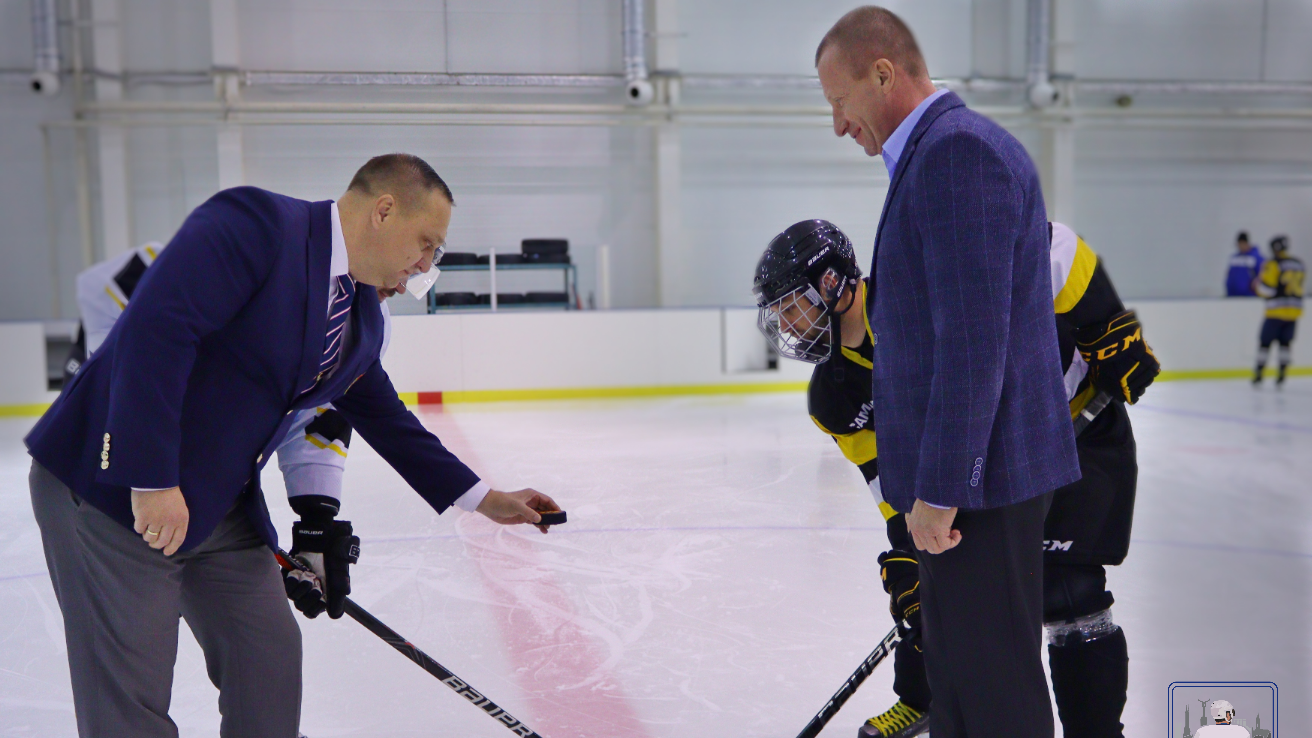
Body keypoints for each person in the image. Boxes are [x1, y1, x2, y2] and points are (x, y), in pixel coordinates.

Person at [26, 153, 560, 738]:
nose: (426, 265)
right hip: (113, 489)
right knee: (129, 697)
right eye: (427, 243)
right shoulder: (255, 226)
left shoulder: (362, 316)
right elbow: (157, 330)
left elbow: (381, 412)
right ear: (384, 210)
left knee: (268, 659)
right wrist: (152, 479)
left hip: (218, 506)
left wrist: (483, 498)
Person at [754, 220, 1156, 738]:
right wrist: (908, 553)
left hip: (1077, 428)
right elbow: (890, 484)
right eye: (780, 313)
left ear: (833, 284)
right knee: (939, 593)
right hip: (997, 468)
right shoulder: (834, 396)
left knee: (1070, 594)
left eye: (792, 306)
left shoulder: (917, 289)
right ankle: (920, 697)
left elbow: (1051, 242)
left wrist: (1106, 324)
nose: (787, 325)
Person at [814, 7, 1083, 735]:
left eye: (839, 101)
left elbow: (972, 345)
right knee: (961, 688)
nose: (838, 124)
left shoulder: (958, 155)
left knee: (995, 697)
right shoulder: (936, 155)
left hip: (980, 490)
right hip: (973, 489)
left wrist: (939, 488)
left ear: (882, 73)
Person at [67, 241, 436, 619]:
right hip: (112, 484)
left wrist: (316, 519)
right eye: (411, 258)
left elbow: (316, 415)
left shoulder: (372, 324)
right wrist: (108, 387)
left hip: (210, 498)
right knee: (133, 651)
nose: (405, 283)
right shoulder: (267, 260)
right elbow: (113, 285)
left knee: (266, 656)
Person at [1252, 235, 1304, 387]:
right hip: (1293, 312)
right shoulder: (1299, 264)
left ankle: (1259, 374)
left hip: (1275, 311)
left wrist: (1257, 288)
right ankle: (1282, 375)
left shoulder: (1273, 264)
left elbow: (1268, 289)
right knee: (1285, 344)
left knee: (1265, 344)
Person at [1225, 232, 1262, 297]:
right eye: (1239, 244)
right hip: (1233, 296)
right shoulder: (1234, 258)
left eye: (1242, 244)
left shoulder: (1256, 258)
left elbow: (1262, 274)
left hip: (1250, 296)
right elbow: (1230, 275)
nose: (1240, 246)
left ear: (1247, 243)